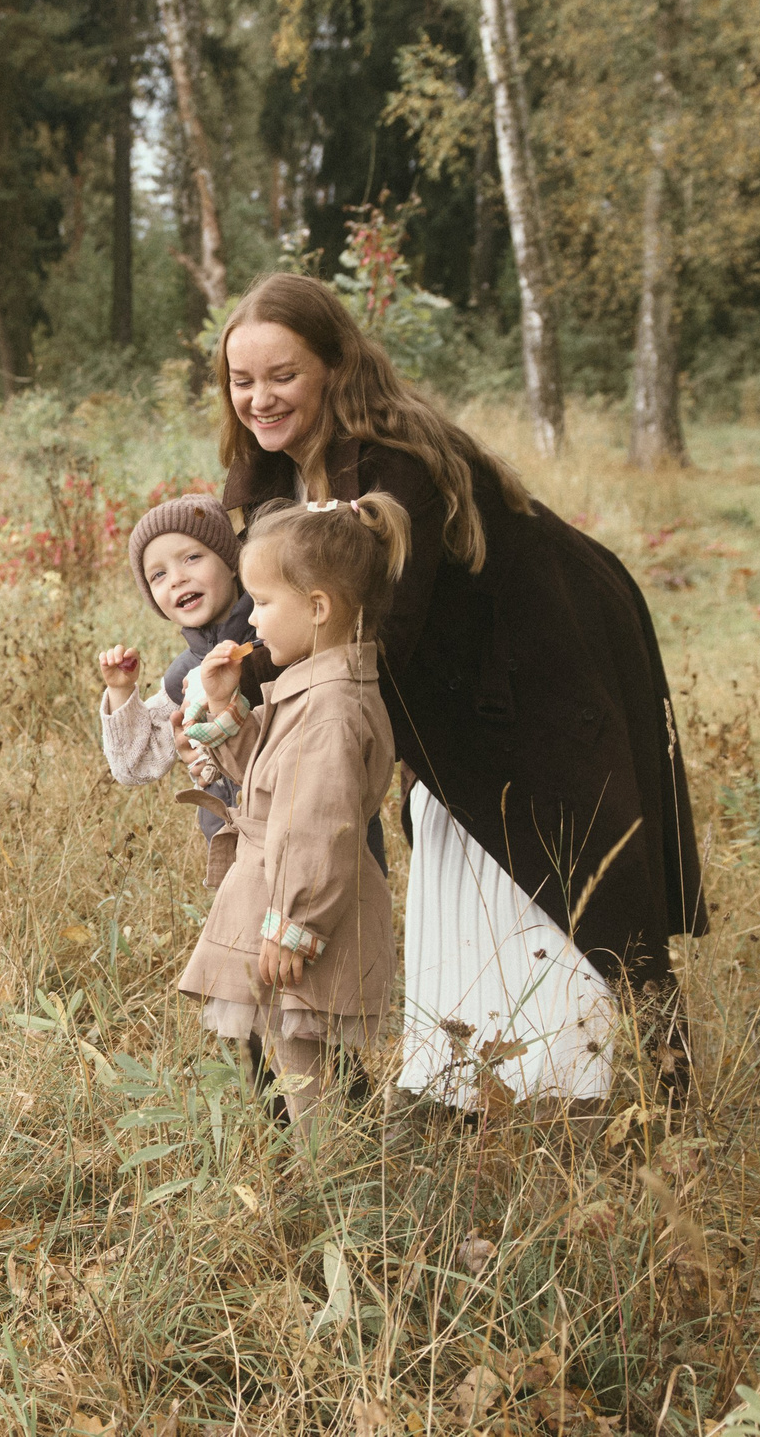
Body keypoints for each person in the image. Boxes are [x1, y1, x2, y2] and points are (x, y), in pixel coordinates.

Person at [210, 273, 707, 1111]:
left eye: (282, 375)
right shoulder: (265, 476)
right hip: (451, 674)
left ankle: (667, 1080)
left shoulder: (395, 462)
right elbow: (278, 608)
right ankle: (475, 1083)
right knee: (462, 844)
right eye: (241, 379)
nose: (260, 398)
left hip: (546, 646)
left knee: (578, 853)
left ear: (334, 365)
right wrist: (226, 681)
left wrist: (258, 684)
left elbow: (379, 632)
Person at [175, 495, 411, 1133]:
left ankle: (325, 1181)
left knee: (307, 1068)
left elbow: (321, 828)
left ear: (317, 608)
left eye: (263, 604)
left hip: (300, 910)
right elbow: (269, 785)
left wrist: (295, 926)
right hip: (283, 902)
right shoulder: (311, 689)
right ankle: (320, 1173)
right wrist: (226, 715)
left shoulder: (330, 709)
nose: (251, 623)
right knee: (295, 1053)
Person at [95, 495, 254, 843]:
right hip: (232, 847)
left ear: (231, 562)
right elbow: (135, 766)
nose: (177, 579)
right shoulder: (185, 676)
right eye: (159, 575)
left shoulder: (273, 640)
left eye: (193, 557)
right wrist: (121, 692)